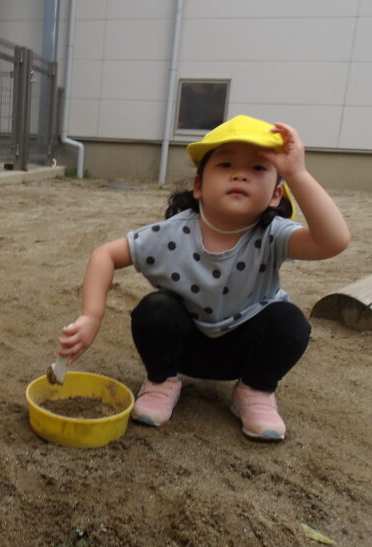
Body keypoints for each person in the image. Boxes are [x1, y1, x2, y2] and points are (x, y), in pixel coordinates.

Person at [58, 115, 350, 441]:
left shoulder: (273, 235)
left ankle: (255, 391)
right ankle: (161, 382)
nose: (240, 174)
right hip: (186, 348)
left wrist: (298, 174)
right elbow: (106, 255)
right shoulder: (173, 232)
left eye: (258, 168)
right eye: (225, 165)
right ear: (198, 186)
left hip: (246, 352)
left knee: (289, 322)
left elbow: (334, 241)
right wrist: (91, 316)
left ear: (275, 196)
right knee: (154, 309)